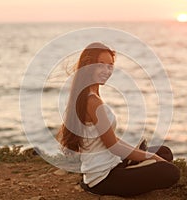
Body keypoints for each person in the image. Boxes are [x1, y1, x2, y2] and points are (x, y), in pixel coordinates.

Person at [57, 42, 180, 197]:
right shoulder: (92, 102)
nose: (106, 70)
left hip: (112, 165)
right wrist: (152, 157)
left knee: (164, 152)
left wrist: (146, 154)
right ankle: (119, 175)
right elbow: (113, 146)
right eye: (100, 65)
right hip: (104, 179)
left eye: (110, 66)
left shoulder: (90, 95)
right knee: (170, 172)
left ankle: (131, 167)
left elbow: (111, 139)